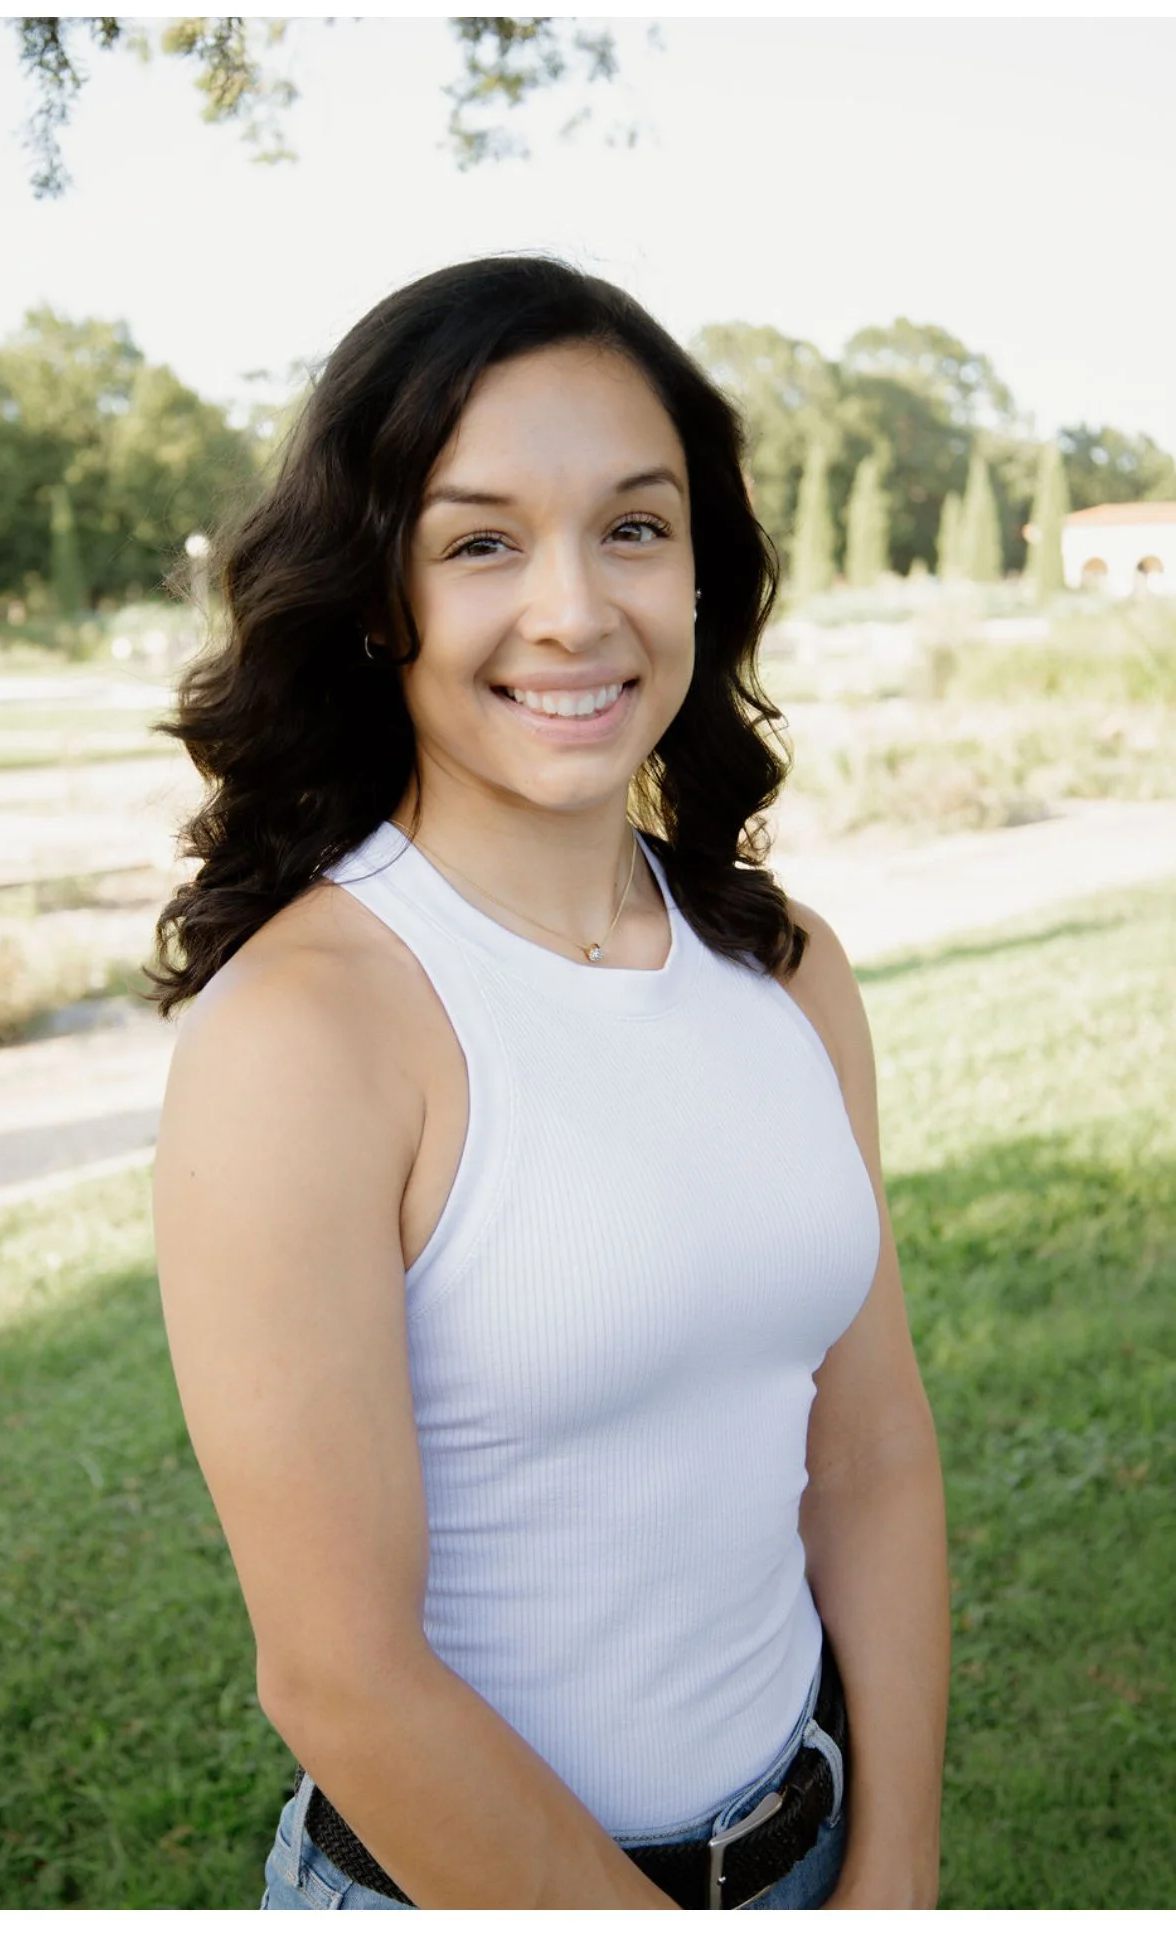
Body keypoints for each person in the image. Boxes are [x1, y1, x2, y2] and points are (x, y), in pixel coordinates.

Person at [148, 255, 950, 1911]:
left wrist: (894, 1882)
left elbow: (867, 1459)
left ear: (702, 571)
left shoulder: (788, 968)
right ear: (382, 599)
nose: (575, 609)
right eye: (482, 541)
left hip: (812, 1850)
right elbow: (340, 1676)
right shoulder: (309, 1030)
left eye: (634, 527)